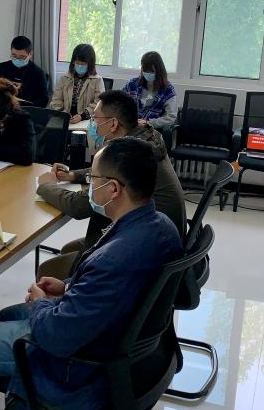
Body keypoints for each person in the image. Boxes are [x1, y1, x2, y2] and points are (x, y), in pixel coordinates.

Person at [0, 138, 184, 410]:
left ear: (114, 189)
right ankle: (21, 404)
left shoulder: (116, 257)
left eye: (93, 179)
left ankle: (26, 393)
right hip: (121, 340)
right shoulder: (161, 225)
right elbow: (112, 288)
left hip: (84, 367)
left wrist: (42, 302)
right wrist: (67, 287)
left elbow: (56, 336)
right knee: (6, 316)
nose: (90, 185)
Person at [36, 90, 186, 280]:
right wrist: (73, 175)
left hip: (144, 249)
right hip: (156, 234)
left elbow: (78, 206)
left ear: (113, 124)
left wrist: (45, 186)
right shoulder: (144, 138)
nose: (93, 123)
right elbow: (107, 168)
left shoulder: (131, 156)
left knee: (48, 271)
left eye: (95, 118)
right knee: (68, 249)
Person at [47, 43, 103, 124]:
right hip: (64, 118)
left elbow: (98, 104)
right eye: (77, 63)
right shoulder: (64, 78)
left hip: (85, 120)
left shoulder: (97, 80)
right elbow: (56, 100)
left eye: (83, 64)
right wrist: (63, 114)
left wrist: (82, 116)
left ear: (90, 64)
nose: (79, 66)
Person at [122, 51, 177, 131]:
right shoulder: (132, 84)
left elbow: (171, 118)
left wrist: (148, 123)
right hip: (129, 127)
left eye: (151, 71)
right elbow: (118, 103)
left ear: (159, 70)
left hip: (151, 130)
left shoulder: (168, 90)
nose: (148, 73)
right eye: (145, 70)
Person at [0, 36, 50, 108]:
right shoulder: (1, 67)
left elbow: (43, 99)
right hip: (1, 108)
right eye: (14, 55)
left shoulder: (38, 73)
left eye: (22, 57)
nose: (17, 59)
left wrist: (26, 105)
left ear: (30, 54)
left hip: (25, 110)